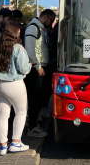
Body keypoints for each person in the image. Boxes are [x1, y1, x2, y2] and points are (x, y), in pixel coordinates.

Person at [0, 21, 31, 155]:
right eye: (19, 30)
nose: (20, 32)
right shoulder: (18, 48)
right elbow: (23, 68)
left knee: (2, 115)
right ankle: (15, 142)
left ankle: (3, 146)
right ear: (15, 32)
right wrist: (30, 65)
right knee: (21, 111)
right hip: (13, 84)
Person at [24, 9, 56, 137]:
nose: (52, 23)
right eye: (51, 20)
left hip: (42, 67)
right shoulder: (33, 28)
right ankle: (32, 127)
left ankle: (34, 123)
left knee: (39, 97)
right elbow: (30, 50)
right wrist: (38, 66)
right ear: (46, 18)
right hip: (37, 69)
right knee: (35, 98)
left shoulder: (41, 29)